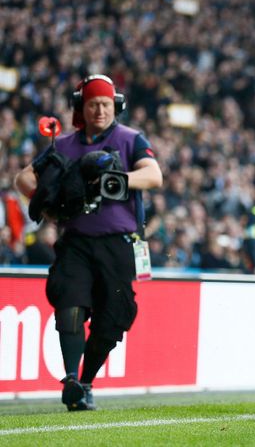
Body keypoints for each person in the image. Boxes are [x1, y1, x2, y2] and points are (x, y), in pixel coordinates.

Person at [14, 74, 163, 411]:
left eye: (106, 105)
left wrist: (114, 179)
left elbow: (154, 175)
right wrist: (48, 208)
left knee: (111, 321)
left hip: (119, 244)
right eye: (93, 104)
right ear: (82, 106)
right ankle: (70, 378)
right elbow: (22, 178)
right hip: (76, 241)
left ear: (116, 106)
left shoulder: (131, 139)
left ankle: (86, 382)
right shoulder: (63, 145)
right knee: (69, 303)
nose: (99, 111)